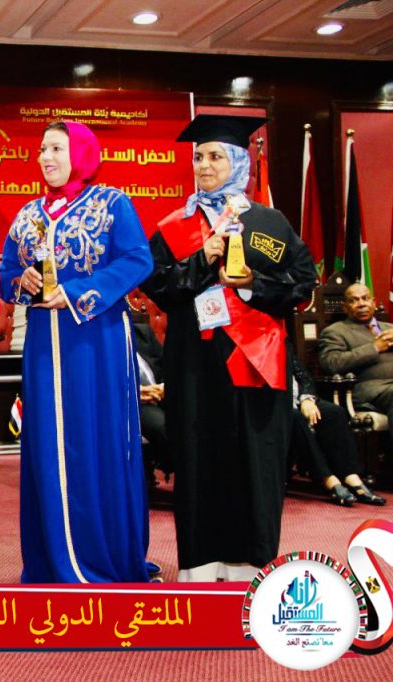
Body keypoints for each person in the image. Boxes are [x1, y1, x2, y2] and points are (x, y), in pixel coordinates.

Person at [140, 114, 315, 582]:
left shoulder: (270, 223)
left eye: (215, 156)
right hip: (195, 365)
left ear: (238, 162)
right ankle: (200, 563)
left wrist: (254, 284)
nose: (204, 165)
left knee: (257, 461)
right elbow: (158, 288)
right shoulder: (174, 226)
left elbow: (303, 283)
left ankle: (251, 563)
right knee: (199, 459)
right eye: (198, 157)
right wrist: (203, 259)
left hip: (257, 362)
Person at [1, 121, 153, 584]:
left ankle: (101, 556)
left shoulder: (111, 204)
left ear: (82, 154)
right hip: (43, 347)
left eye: (57, 148)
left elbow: (138, 260)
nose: (46, 157)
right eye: (42, 149)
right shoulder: (28, 214)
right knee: (48, 443)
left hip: (96, 343)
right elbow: (6, 271)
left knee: (95, 440)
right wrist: (21, 280)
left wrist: (74, 293)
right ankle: (52, 559)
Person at [289, 348, 386, 506]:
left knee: (335, 413)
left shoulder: (282, 342)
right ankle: (328, 479)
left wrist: (306, 399)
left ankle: (351, 477)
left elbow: (303, 376)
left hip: (298, 398)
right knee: (296, 418)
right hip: (273, 404)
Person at [318, 282, 393, 453]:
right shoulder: (336, 331)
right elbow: (331, 363)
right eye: (354, 300)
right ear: (345, 307)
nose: (361, 304)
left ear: (373, 302)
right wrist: (374, 347)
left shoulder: (390, 328)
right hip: (369, 388)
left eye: (365, 298)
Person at [134, 321, 170, 485]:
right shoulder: (102, 340)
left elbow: (167, 367)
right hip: (134, 403)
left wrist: (164, 388)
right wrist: (136, 392)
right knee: (161, 426)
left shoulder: (143, 332)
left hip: (162, 395)